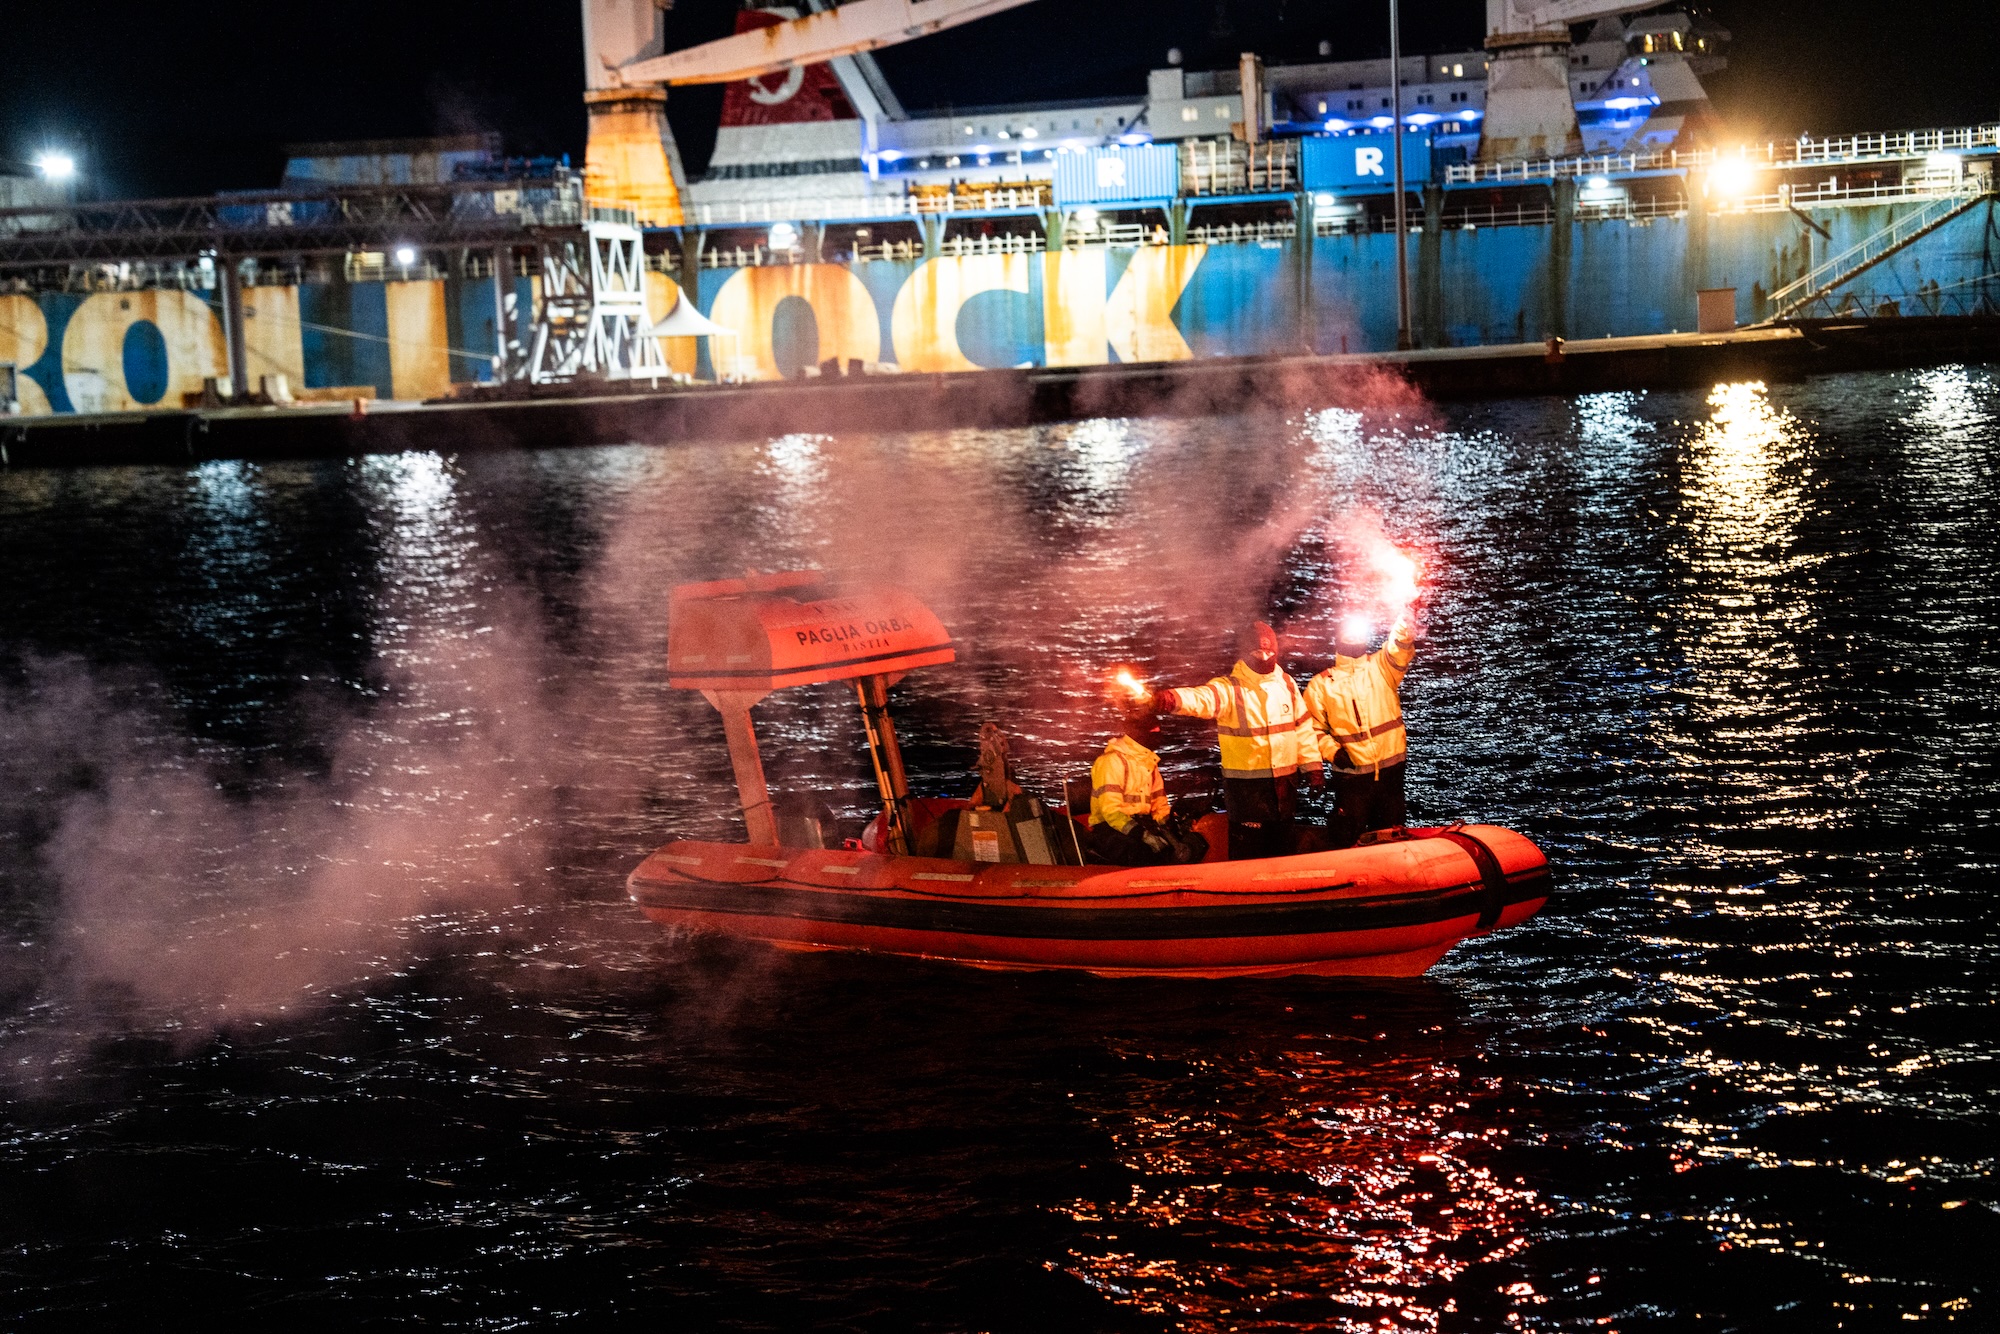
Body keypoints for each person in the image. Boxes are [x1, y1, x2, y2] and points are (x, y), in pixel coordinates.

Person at [1153, 621, 1323, 860]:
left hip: (1284, 792)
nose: (1264, 657)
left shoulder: (1287, 684)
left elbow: (1303, 729)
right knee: (1247, 858)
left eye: (1269, 652)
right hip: (1246, 796)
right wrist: (1172, 699)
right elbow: (1201, 698)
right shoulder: (1229, 689)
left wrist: (1314, 768)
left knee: (1283, 856)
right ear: (1245, 652)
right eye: (1258, 652)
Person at [1304, 614, 1418, 849]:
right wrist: (1333, 753)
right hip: (1351, 781)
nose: (1354, 637)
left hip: (1391, 777)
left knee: (1392, 842)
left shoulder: (1382, 666)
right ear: (1338, 639)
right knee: (1348, 841)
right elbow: (1311, 730)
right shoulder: (1321, 685)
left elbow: (1400, 647)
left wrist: (1405, 620)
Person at [1086, 705, 1205, 866]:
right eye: (1154, 732)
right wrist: (1141, 834)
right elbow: (1111, 811)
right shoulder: (1111, 762)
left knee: (1193, 843)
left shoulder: (1148, 762)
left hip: (1142, 823)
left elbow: (1159, 803)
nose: (1158, 736)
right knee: (1142, 851)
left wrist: (1169, 825)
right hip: (1110, 828)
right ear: (1140, 733)